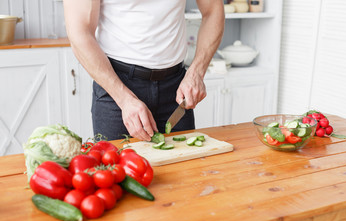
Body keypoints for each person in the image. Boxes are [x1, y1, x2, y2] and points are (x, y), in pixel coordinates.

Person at [63, 0, 225, 141]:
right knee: (118, 172)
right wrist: (124, 99)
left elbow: (213, 10)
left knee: (184, 172)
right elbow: (79, 33)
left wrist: (196, 72)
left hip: (176, 89)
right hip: (116, 88)